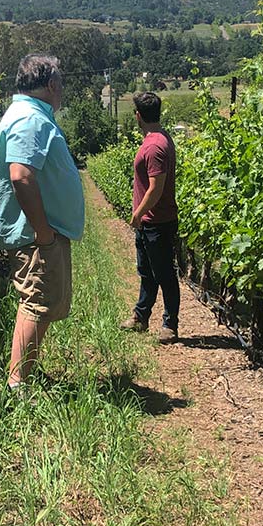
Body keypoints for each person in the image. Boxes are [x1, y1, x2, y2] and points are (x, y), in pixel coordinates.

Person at [0, 53, 85, 389]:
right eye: (61, 85)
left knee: (41, 300)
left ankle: (22, 374)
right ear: (53, 84)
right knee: (38, 300)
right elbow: (21, 176)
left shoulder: (28, 114)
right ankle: (18, 384)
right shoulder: (30, 118)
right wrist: (43, 233)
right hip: (36, 233)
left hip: (39, 231)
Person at [120, 92, 179, 341]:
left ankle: (170, 325)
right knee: (147, 272)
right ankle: (141, 316)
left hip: (157, 222)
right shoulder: (157, 139)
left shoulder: (155, 146)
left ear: (138, 116)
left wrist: (138, 213)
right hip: (149, 222)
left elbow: (156, 187)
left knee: (164, 273)